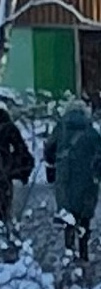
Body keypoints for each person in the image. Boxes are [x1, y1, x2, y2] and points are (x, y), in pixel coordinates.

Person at [53, 101, 101, 265]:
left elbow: (49, 150)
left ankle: (68, 249)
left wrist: (53, 165)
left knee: (68, 211)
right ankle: (84, 252)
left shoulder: (60, 128)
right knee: (84, 214)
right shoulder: (92, 132)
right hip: (87, 179)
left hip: (64, 178)